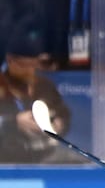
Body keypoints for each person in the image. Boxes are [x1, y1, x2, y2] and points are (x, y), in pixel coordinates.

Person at [0, 30, 72, 164]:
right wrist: (14, 122)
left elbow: (63, 113)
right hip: (6, 158)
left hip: (44, 155)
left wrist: (59, 124)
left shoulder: (45, 85)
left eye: (33, 64)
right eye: (24, 65)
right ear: (10, 61)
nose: (29, 70)